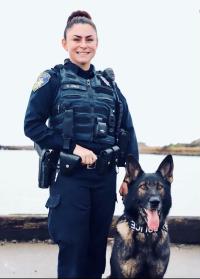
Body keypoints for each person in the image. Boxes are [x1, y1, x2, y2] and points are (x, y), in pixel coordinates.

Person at [24, 10, 138, 278]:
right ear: (64, 43)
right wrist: (72, 147)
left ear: (97, 44)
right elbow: (32, 126)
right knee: (73, 251)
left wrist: (129, 176)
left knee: (96, 251)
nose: (83, 45)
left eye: (89, 39)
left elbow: (128, 130)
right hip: (70, 179)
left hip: (104, 180)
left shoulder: (110, 85)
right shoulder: (52, 80)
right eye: (76, 39)